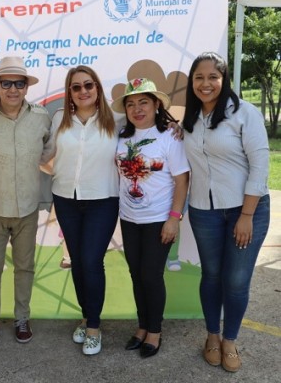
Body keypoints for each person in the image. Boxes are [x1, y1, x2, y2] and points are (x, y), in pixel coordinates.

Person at [182, 52, 270, 372]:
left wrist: (246, 215)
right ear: (191, 83)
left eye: (212, 77)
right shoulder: (189, 120)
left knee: (235, 280)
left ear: (224, 79)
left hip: (247, 210)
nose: (206, 84)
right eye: (199, 78)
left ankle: (230, 340)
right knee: (212, 276)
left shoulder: (244, 113)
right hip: (204, 211)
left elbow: (260, 166)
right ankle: (212, 336)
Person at [0, 56, 51, 344]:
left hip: (28, 208)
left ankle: (22, 319)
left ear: (27, 87)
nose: (13, 89)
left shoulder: (41, 118)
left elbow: (49, 151)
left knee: (25, 267)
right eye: (7, 83)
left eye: (19, 83)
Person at [42, 65, 122, 355]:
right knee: (77, 261)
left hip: (103, 200)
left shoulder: (117, 120)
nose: (83, 91)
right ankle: (87, 317)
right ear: (70, 93)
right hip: (66, 199)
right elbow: (45, 153)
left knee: (91, 261)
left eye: (89, 85)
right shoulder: (61, 119)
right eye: (76, 87)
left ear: (98, 88)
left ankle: (93, 328)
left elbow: (147, 131)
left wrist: (172, 127)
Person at [112, 78, 190, 358]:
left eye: (144, 102)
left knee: (151, 275)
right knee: (136, 274)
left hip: (159, 219)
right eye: (131, 104)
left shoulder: (170, 137)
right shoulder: (120, 137)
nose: (137, 108)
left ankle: (155, 331)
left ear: (156, 105)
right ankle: (142, 326)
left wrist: (174, 218)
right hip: (129, 218)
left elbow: (182, 181)